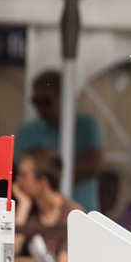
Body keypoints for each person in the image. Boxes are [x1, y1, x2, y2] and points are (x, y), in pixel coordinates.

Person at [14, 70, 104, 210]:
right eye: (35, 102)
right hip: (43, 215)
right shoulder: (26, 133)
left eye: (46, 102)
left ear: (64, 98)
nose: (40, 108)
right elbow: (22, 175)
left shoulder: (87, 125)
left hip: (84, 212)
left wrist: (45, 177)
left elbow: (94, 165)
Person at [12, 147, 83, 262]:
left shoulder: (72, 214)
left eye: (23, 176)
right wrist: (24, 206)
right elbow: (10, 253)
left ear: (42, 182)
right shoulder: (28, 211)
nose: (17, 182)